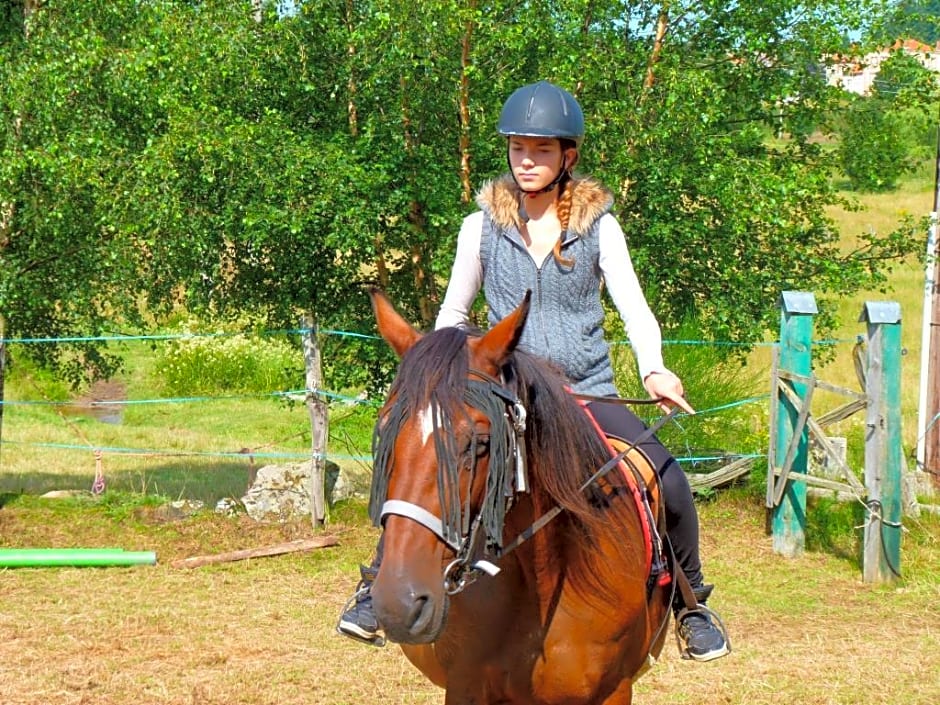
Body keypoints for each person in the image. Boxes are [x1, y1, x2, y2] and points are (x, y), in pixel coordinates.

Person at [338, 80, 729, 663]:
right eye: (519, 148)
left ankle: (690, 605)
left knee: (668, 479)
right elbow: (453, 313)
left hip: (587, 394)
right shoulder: (480, 228)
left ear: (566, 157)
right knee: (432, 464)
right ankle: (377, 584)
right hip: (506, 394)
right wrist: (441, 365)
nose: (527, 160)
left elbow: (634, 307)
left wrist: (654, 369)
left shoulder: (601, 228)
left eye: (541, 150)